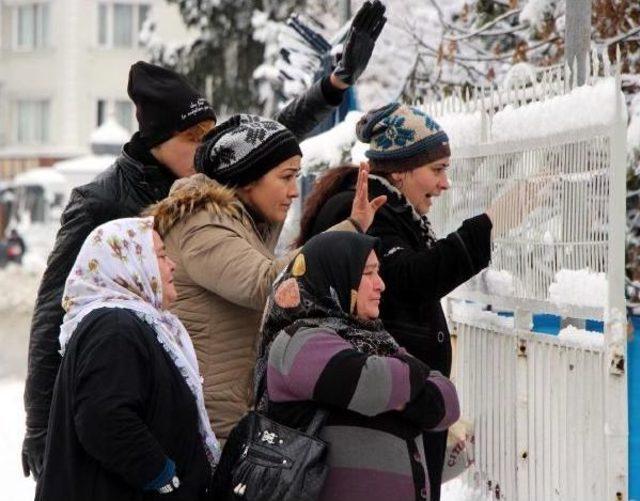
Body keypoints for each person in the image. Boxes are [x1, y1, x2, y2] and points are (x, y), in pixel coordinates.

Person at [22, 0, 388, 479]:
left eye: (209, 138)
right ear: (157, 142)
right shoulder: (105, 202)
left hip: (189, 386)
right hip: (126, 382)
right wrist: (39, 422)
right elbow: (54, 310)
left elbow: (264, 143)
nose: (207, 150)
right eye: (194, 141)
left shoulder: (212, 185)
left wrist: (329, 89)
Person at [296, 103, 494, 501]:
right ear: (401, 169)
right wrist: (491, 225)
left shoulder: (395, 211)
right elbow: (409, 280)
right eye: (436, 169)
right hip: (381, 418)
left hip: (398, 410)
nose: (445, 184)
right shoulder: (367, 212)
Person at [146, 114, 386, 443]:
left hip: (226, 413)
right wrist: (350, 231)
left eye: (296, 177)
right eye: (285, 177)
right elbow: (268, 284)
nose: (293, 192)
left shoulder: (242, 222)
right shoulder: (201, 223)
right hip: (207, 420)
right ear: (247, 178)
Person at [258, 231, 460, 501]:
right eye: (368, 274)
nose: (380, 285)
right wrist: (410, 381)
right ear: (337, 276)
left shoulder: (375, 340)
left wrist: (397, 392)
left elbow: (447, 402)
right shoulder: (297, 342)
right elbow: (370, 385)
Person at [35, 217, 219, 501]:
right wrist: (162, 476)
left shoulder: (131, 323)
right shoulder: (115, 327)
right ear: (129, 262)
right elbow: (103, 416)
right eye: (160, 255)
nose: (172, 265)